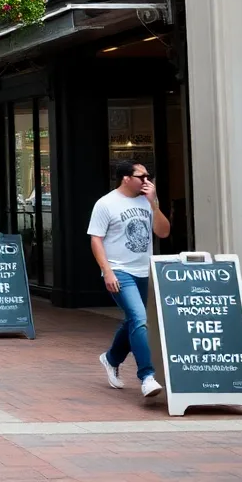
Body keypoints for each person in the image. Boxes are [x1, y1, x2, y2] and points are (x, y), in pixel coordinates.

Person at [90, 161, 171, 399]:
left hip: (145, 271)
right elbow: (96, 239)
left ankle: (111, 358)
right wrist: (107, 271)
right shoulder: (106, 204)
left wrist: (154, 204)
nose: (147, 180)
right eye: (142, 176)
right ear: (126, 178)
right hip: (119, 270)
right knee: (140, 319)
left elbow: (163, 232)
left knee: (134, 320)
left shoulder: (147, 201)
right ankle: (147, 376)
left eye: (149, 176)